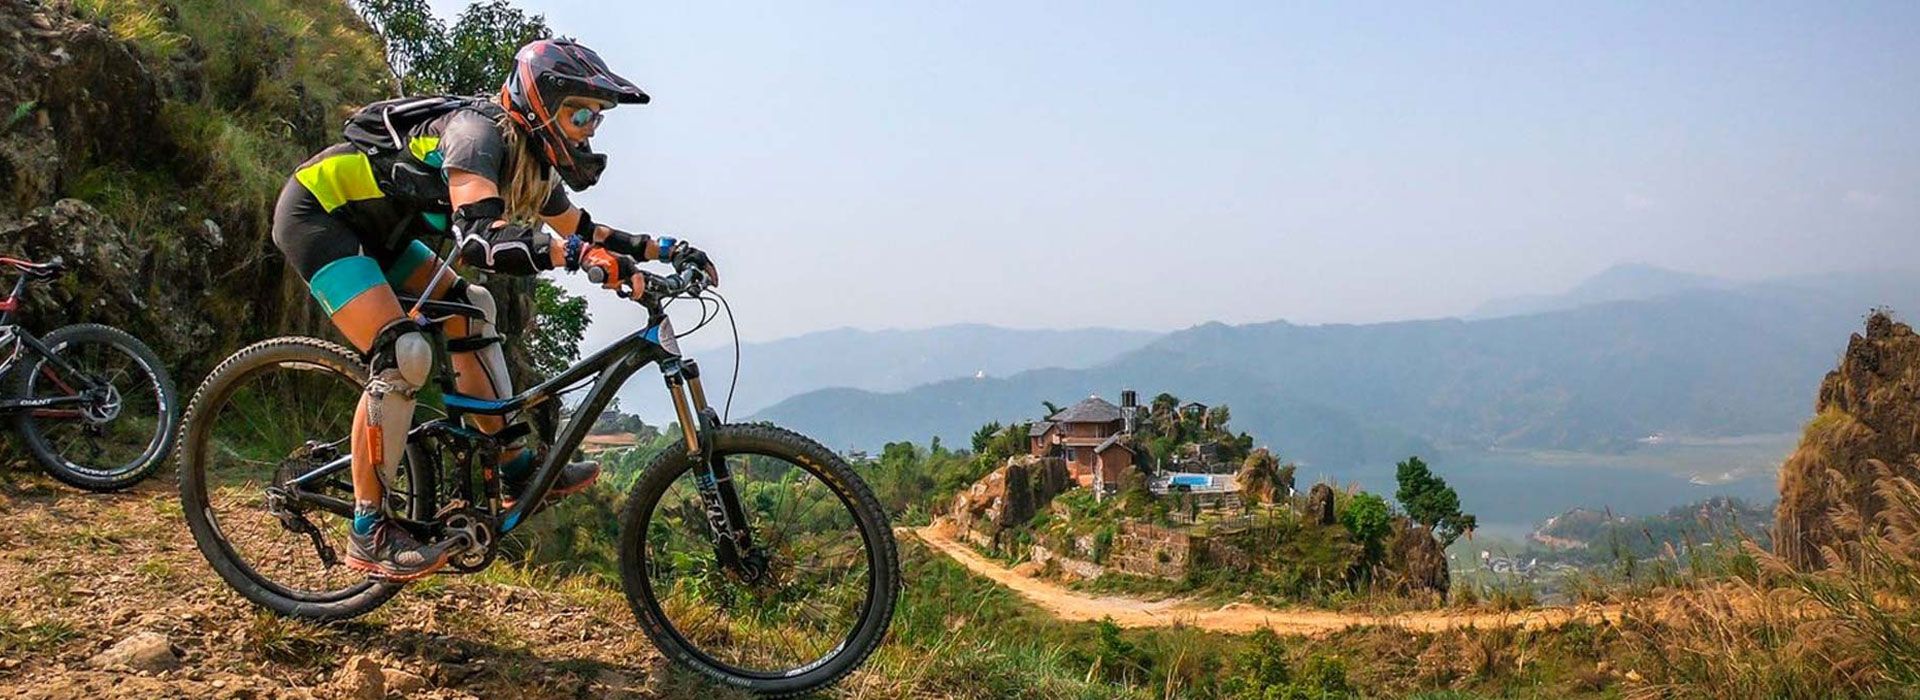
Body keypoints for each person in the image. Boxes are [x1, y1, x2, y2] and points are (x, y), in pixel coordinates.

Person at [270, 38, 718, 580]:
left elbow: (584, 229)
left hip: (383, 235)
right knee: (405, 354)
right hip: (321, 218)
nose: (588, 129)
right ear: (541, 103)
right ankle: (369, 531)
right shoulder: (476, 135)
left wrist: (664, 249)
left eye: (596, 120)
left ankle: (514, 467)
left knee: (472, 306)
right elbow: (481, 241)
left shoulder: (526, 157)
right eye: (580, 113)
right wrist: (575, 256)